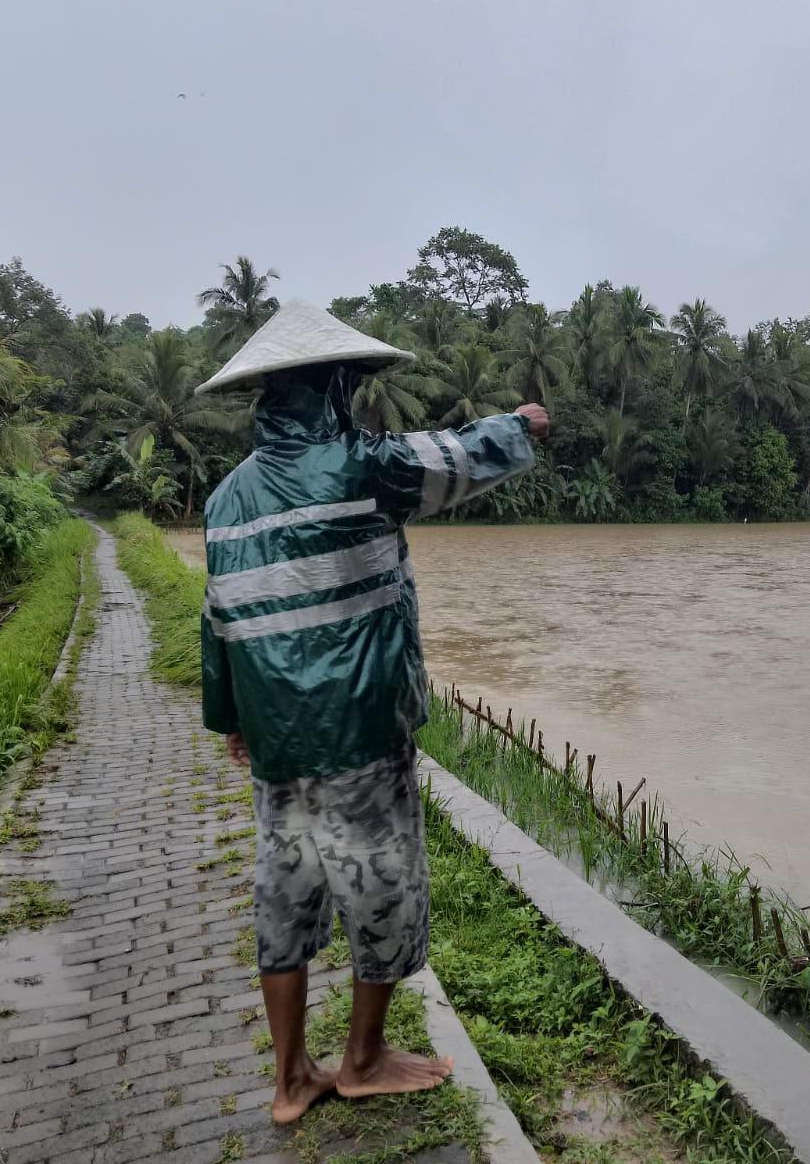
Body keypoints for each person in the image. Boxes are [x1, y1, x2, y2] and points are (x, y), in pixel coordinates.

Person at [194, 300, 549, 1122]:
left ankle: (288, 1081)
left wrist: (233, 721)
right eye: (348, 385)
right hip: (360, 727)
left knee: (284, 895)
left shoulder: (222, 502)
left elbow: (217, 623)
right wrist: (522, 421)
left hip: (279, 738)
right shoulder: (365, 466)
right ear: (336, 387)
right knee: (383, 888)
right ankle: (362, 1059)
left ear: (266, 395)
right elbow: (460, 455)